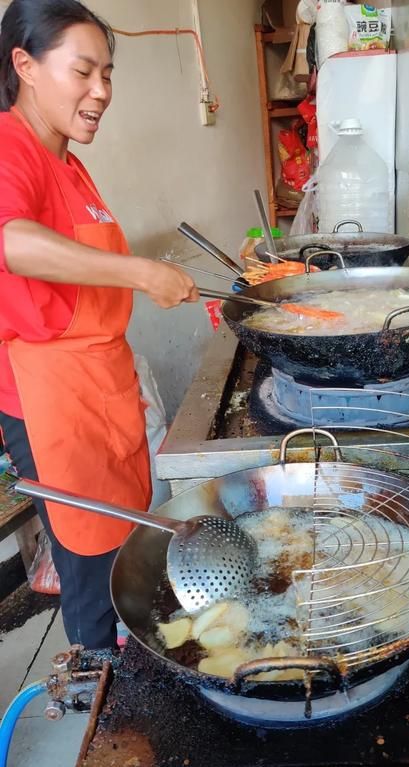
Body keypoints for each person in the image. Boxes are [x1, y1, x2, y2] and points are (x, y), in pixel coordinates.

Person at [0, 0, 199, 649]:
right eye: (84, 71)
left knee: (124, 551)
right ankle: (97, 689)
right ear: (24, 65)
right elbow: (12, 241)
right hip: (51, 401)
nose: (101, 91)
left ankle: (127, 659)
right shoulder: (10, 142)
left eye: (108, 73)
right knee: (90, 570)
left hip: (101, 387)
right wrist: (142, 272)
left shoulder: (70, 164)